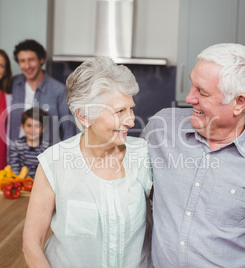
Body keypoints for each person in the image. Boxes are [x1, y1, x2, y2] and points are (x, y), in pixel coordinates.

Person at [140, 43, 245, 267]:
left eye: (202, 92)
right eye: (192, 85)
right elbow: (126, 180)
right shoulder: (161, 128)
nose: (189, 98)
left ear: (239, 103)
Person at [22, 57, 153, 267]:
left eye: (131, 108)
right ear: (84, 117)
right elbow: (31, 244)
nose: (130, 120)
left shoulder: (145, 156)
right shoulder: (54, 163)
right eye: (119, 111)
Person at [9, 39, 76, 146]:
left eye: (31, 60)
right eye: (22, 61)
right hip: (18, 156)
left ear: (41, 60)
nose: (27, 66)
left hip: (49, 157)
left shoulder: (59, 90)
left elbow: (69, 130)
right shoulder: (13, 85)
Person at [9, 107, 50, 178]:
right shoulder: (16, 145)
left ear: (43, 128)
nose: (32, 130)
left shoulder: (47, 147)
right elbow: (15, 169)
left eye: (37, 126)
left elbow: (48, 171)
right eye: (29, 125)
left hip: (41, 184)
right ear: (22, 126)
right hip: (21, 184)